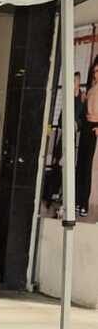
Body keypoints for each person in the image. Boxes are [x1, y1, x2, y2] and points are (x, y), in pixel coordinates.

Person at [77, 60, 98, 217]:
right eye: (95, 71)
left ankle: (84, 203)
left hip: (93, 128)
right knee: (80, 165)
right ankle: (77, 201)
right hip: (85, 127)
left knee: (87, 166)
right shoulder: (91, 88)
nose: (96, 73)